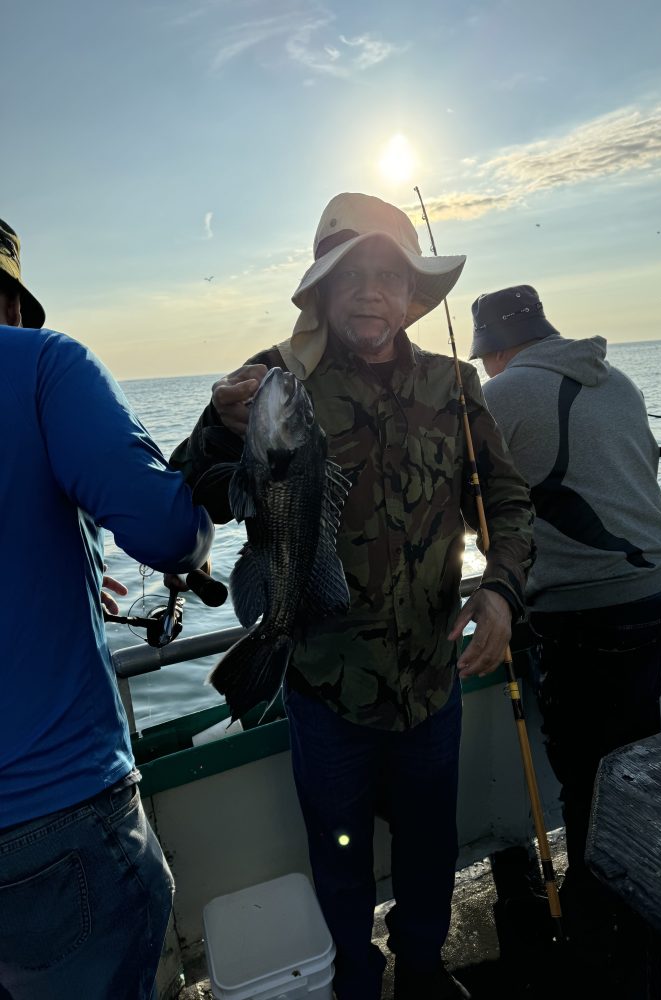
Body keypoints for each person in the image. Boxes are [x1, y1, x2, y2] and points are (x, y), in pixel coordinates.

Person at [170, 192, 535, 1000]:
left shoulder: (457, 385)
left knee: (430, 849)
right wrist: (219, 428)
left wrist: (502, 593)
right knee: (337, 859)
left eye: (388, 274)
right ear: (321, 292)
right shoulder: (274, 381)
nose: (371, 291)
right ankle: (354, 983)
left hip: (433, 685)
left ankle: (427, 971)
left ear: (412, 295)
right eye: (350, 275)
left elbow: (506, 506)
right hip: (326, 694)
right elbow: (183, 489)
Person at [0, 217, 214, 1000]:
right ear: (16, 304)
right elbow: (167, 531)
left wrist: (72, 563)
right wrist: (198, 509)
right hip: (50, 820)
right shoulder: (42, 366)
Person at [470, 284, 661, 918]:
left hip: (585, 612)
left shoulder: (500, 394)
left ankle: (601, 901)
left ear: (495, 351)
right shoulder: (618, 380)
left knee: (583, 766)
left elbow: (472, 501)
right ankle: (642, 879)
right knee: (632, 749)